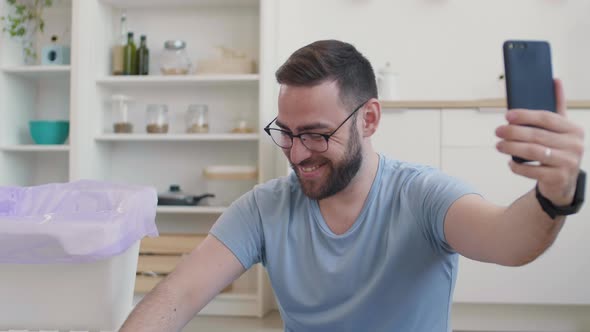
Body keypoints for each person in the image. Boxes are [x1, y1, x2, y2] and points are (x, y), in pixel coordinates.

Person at [120, 40, 586, 331]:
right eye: (287, 132)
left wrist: (555, 194)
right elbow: (177, 296)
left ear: (369, 119)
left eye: (318, 135)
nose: (298, 153)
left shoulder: (422, 196)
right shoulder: (264, 208)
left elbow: (509, 240)